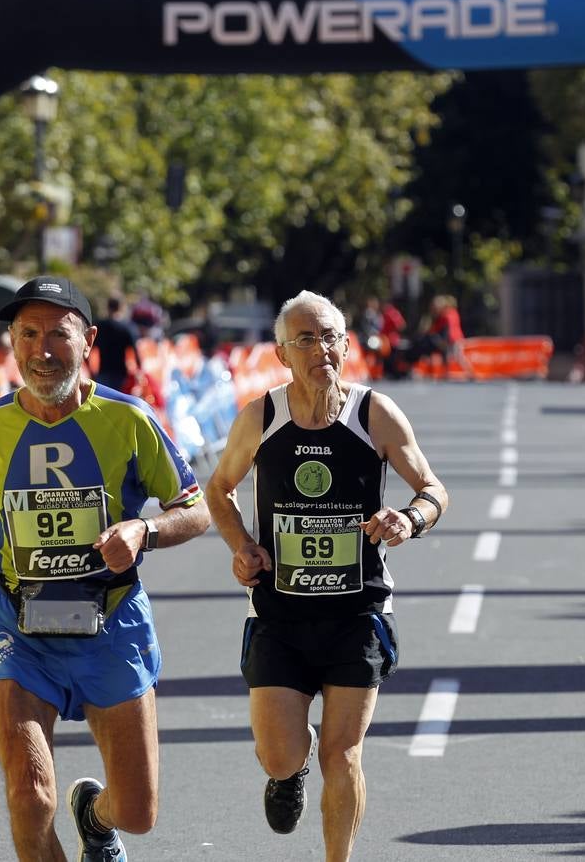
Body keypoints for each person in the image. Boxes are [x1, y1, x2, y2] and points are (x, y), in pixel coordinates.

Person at [0, 275, 210, 861]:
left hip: (110, 623)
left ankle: (95, 813)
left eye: (58, 336)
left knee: (137, 814)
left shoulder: (130, 419)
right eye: (28, 334)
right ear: (11, 342)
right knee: (30, 796)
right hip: (20, 624)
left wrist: (146, 531)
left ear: (87, 340)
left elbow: (196, 509)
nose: (42, 351)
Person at [205, 290, 447, 862]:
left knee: (345, 754)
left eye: (331, 336)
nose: (322, 349)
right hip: (279, 613)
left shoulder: (374, 414)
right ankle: (288, 772)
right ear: (282, 353)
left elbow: (434, 490)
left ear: (346, 344)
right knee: (280, 754)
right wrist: (243, 545)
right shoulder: (262, 416)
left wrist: (408, 520)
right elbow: (218, 489)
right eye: (306, 339)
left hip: (357, 612)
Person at [91, 295, 142, 392]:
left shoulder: (99, 326)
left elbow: (88, 349)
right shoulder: (127, 327)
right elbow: (136, 352)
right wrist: (140, 371)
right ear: (121, 307)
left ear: (107, 307)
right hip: (121, 375)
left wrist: (91, 371)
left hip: (103, 373)